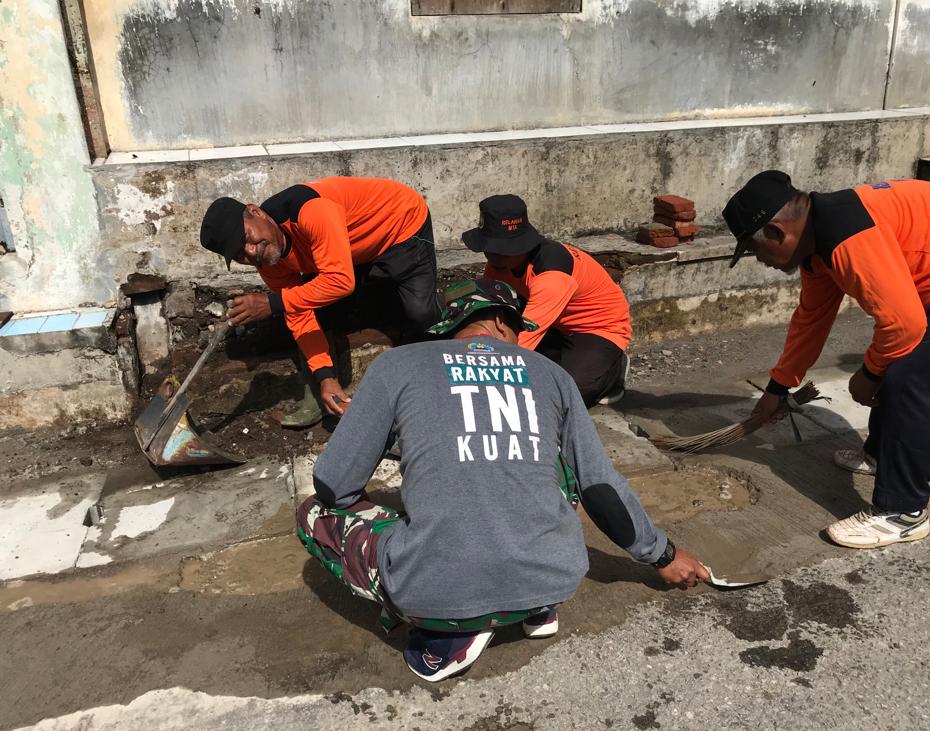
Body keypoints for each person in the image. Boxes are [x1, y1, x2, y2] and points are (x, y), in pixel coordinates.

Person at [294, 278, 708, 681]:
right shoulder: (552, 375)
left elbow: (334, 484)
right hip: (554, 579)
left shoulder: (398, 364)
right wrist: (664, 556)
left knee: (314, 512)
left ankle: (452, 627)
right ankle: (535, 607)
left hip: (434, 595)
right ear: (499, 322)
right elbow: (599, 486)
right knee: (557, 458)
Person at [724, 170, 930, 549]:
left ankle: (902, 512)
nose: (762, 262)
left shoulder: (846, 235)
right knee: (897, 361)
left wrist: (868, 374)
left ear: (775, 233)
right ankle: (883, 456)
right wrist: (778, 387)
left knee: (913, 381)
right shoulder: (818, 248)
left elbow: (904, 325)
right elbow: (810, 322)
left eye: (754, 252)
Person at [199, 176, 441, 427]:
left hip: (398, 224)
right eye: (240, 254)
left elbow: (340, 281)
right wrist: (324, 376)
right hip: (347, 247)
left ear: (255, 212)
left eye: (246, 238)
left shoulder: (309, 211)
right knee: (318, 309)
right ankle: (318, 393)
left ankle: (443, 374)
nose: (250, 252)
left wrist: (271, 304)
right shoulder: (268, 257)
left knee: (420, 312)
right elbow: (298, 311)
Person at [461, 195, 631, 407]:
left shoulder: (552, 275)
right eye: (487, 247)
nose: (490, 256)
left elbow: (523, 341)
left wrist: (476, 378)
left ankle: (612, 367)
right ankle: (564, 357)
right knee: (531, 373)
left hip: (597, 327)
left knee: (569, 391)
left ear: (518, 247)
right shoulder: (498, 263)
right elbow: (488, 306)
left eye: (498, 250)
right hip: (554, 322)